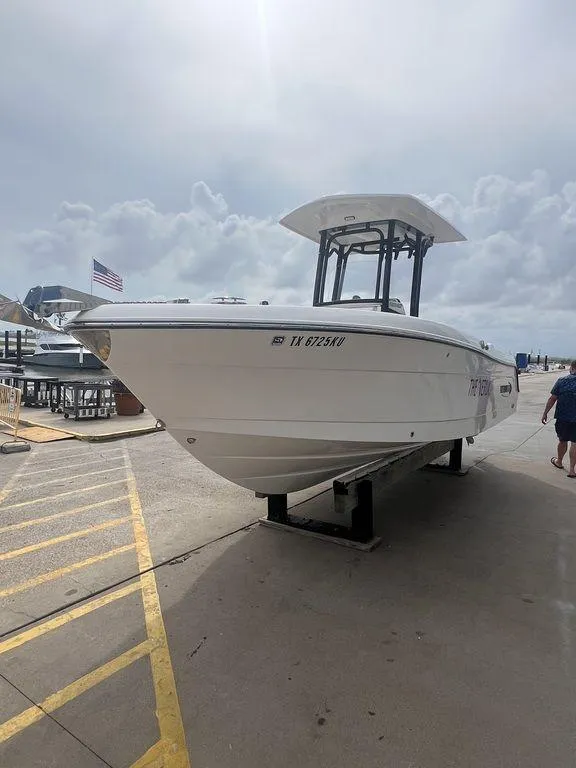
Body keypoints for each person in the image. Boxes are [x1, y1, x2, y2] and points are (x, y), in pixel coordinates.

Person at [541, 360, 576, 478]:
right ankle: (572, 470)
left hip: (563, 417)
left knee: (562, 440)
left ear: (572, 368)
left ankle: (559, 462)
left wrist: (545, 413)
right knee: (575, 444)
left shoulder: (562, 381)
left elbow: (552, 398)